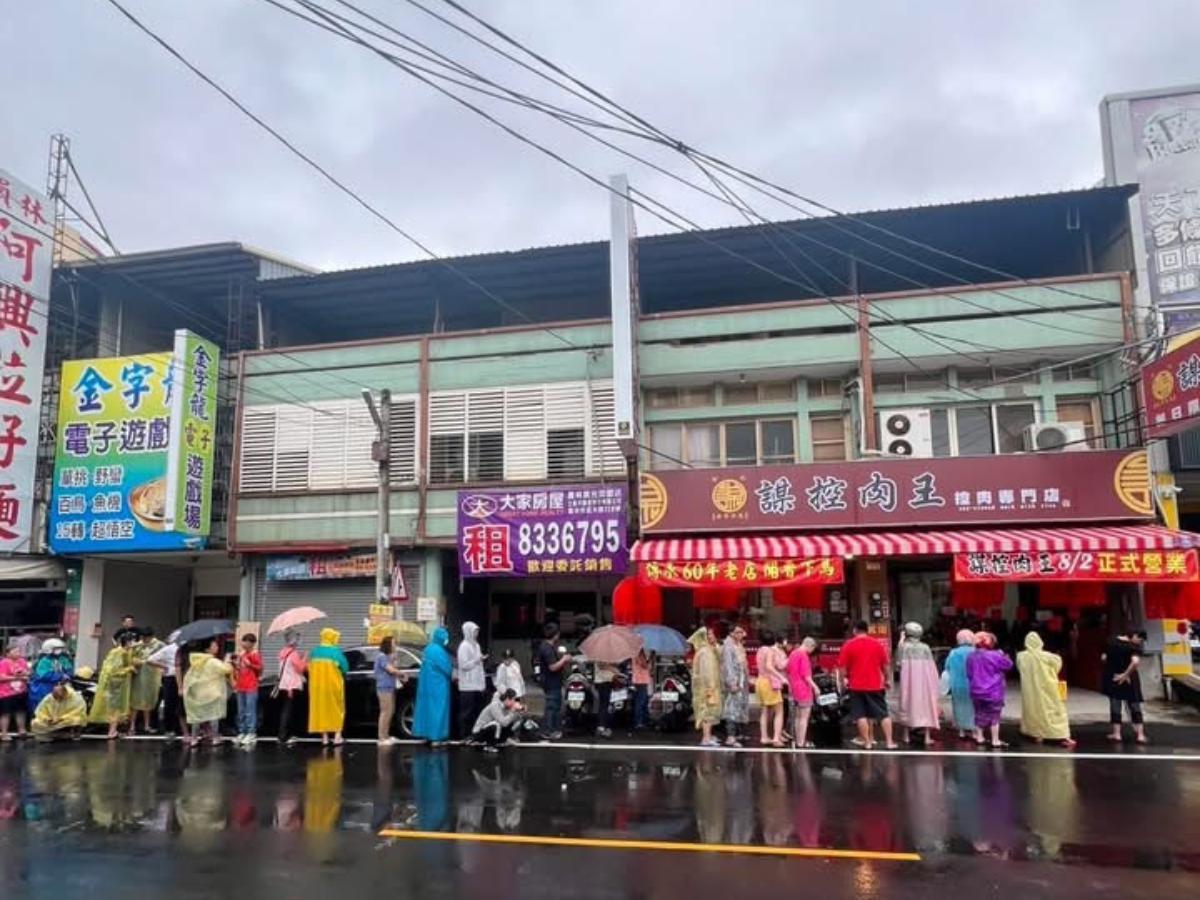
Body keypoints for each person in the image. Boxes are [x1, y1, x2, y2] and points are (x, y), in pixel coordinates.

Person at [837, 621, 897, 750]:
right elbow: (885, 665)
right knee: (883, 713)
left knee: (860, 715)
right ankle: (889, 742)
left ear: (855, 630)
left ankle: (867, 742)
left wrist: (843, 680)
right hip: (875, 684)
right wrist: (887, 679)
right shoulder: (877, 644)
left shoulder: (849, 645)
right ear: (867, 630)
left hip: (856, 685)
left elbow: (842, 667)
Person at [1016, 631, 1076, 749]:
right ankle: (1061, 734)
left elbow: (1019, 668)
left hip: (1030, 690)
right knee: (1054, 709)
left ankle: (1037, 734)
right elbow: (1058, 664)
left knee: (1033, 710)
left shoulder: (1021, 656)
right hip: (1048, 688)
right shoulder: (1047, 656)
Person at [896, 622, 942, 748]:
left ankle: (906, 735)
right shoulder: (926, 647)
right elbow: (932, 666)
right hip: (924, 680)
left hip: (908, 681)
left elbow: (898, 664)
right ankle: (927, 737)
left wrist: (901, 640)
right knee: (926, 704)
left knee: (907, 702)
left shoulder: (903, 646)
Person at [183, 638, 235, 747]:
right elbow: (226, 669)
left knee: (196, 717)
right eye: (214, 646)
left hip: (198, 693)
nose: (216, 647)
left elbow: (189, 677)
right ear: (207, 649)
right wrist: (228, 661)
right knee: (213, 715)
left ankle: (194, 739)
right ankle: (215, 738)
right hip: (213, 692)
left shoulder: (195, 662)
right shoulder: (213, 661)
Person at [966, 631, 1013, 749]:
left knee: (979, 713)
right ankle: (995, 740)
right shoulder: (995, 655)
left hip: (976, 690)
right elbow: (1008, 665)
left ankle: (979, 737)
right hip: (993, 691)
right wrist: (1004, 655)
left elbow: (969, 674)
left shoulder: (971, 656)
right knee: (994, 716)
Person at [1103, 629, 1148, 745]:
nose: (1140, 642)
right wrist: (1125, 674)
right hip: (1130, 679)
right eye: (1140, 639)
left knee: (1115, 704)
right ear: (1134, 636)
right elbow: (1135, 662)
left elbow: (1103, 657)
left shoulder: (1111, 641)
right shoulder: (1133, 647)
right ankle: (1140, 735)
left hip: (1114, 677)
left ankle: (1117, 734)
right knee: (1134, 704)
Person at [90, 632, 137, 739]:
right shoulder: (119, 653)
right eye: (133, 641)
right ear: (128, 642)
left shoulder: (124, 651)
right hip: (115, 685)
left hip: (119, 684)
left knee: (116, 708)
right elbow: (114, 670)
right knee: (114, 708)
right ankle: (112, 731)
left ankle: (113, 730)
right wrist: (129, 669)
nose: (135, 643)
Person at [308, 627, 349, 746]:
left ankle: (324, 738)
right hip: (333, 686)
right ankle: (337, 736)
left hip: (317, 688)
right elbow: (345, 668)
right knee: (337, 710)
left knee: (321, 711)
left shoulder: (314, 651)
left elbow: (309, 668)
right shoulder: (336, 652)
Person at [413, 626, 454, 744]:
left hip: (426, 686)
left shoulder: (428, 649)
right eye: (445, 637)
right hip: (438, 686)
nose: (446, 640)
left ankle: (425, 734)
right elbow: (447, 668)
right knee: (438, 710)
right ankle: (436, 737)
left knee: (426, 710)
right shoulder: (439, 651)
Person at [689, 624, 723, 748]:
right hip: (708, 688)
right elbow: (707, 672)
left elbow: (720, 656)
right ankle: (706, 738)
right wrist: (711, 687)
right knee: (708, 711)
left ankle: (709, 735)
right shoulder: (704, 652)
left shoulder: (708, 649)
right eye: (709, 634)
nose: (712, 636)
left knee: (712, 711)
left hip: (710, 687)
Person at [148, 633, 187, 739]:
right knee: (171, 703)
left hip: (181, 677)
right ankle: (170, 729)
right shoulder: (169, 649)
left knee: (178, 704)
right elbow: (150, 660)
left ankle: (176, 728)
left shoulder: (184, 650)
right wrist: (164, 667)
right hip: (170, 678)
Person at [536, 623, 570, 739]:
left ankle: (552, 729)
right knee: (552, 706)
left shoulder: (547, 646)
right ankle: (548, 731)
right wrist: (564, 660)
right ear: (555, 635)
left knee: (554, 706)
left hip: (552, 681)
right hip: (551, 681)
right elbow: (552, 667)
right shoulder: (547, 648)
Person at [755, 630, 788, 747]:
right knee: (779, 711)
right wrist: (781, 677)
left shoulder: (759, 650)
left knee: (764, 711)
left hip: (760, 681)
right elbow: (769, 666)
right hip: (770, 682)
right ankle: (776, 738)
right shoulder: (770, 651)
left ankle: (764, 736)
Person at [276, 630, 308, 747]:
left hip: (284, 685)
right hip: (292, 686)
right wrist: (304, 658)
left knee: (287, 710)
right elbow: (301, 669)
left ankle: (287, 734)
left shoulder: (283, 652)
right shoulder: (293, 654)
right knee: (288, 711)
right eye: (298, 638)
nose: (299, 641)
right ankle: (283, 736)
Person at [787, 637, 819, 749]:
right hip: (803, 689)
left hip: (793, 687)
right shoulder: (804, 656)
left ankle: (797, 739)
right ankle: (801, 741)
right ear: (810, 646)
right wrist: (815, 687)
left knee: (797, 716)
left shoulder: (793, 654)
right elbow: (807, 676)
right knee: (804, 717)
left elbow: (788, 670)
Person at [130, 627, 164, 735]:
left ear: (151, 637)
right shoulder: (137, 645)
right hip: (138, 675)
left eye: (146, 638)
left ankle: (147, 725)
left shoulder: (159, 645)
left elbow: (165, 657)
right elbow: (129, 656)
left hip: (152, 676)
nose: (144, 640)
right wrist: (134, 661)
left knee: (148, 700)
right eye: (143, 637)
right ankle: (132, 726)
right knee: (135, 700)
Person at [944, 629, 977, 740]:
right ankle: (974, 730)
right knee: (973, 707)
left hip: (957, 683)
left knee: (959, 707)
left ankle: (961, 731)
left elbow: (947, 667)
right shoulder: (975, 651)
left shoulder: (953, 652)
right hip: (973, 683)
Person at [720, 624, 750, 747]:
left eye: (741, 632)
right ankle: (730, 736)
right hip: (734, 681)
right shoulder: (728, 646)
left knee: (739, 706)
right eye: (738, 632)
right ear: (732, 633)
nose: (741, 634)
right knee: (731, 708)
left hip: (741, 679)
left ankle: (737, 733)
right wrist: (732, 683)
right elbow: (728, 666)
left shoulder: (739, 645)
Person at [26, 638, 73, 716]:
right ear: (49, 649)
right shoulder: (44, 661)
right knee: (44, 710)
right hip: (44, 689)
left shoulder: (63, 659)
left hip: (60, 688)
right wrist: (61, 676)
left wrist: (68, 675)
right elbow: (44, 675)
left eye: (60, 648)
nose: (59, 650)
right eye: (57, 649)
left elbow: (69, 669)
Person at [457, 622, 486, 739]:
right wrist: (477, 660)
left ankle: (474, 734)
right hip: (467, 685)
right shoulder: (464, 646)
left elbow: (478, 663)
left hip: (477, 684)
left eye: (477, 631)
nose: (476, 633)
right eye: (474, 631)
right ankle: (464, 734)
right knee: (466, 712)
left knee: (476, 710)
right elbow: (464, 665)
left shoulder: (476, 645)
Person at [374, 636, 406, 746]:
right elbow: (390, 670)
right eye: (393, 643)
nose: (395, 645)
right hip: (383, 688)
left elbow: (393, 667)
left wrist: (394, 658)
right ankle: (381, 738)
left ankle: (386, 735)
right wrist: (402, 674)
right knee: (385, 712)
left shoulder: (387, 657)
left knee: (390, 711)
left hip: (390, 687)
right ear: (387, 645)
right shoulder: (381, 657)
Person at [234, 633, 264, 747]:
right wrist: (236, 665)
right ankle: (242, 732)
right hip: (241, 685)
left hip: (251, 686)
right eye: (243, 641)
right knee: (241, 710)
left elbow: (260, 669)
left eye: (245, 641)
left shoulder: (255, 654)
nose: (243, 644)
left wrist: (250, 664)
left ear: (251, 643)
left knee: (250, 710)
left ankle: (251, 733)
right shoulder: (242, 654)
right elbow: (241, 669)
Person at [0, 643, 30, 741]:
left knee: (21, 711)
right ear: (8, 653)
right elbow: (1, 677)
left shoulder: (22, 661)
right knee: (6, 713)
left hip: (21, 691)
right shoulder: (3, 662)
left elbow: (28, 673)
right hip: (6, 693)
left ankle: (22, 730)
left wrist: (25, 674)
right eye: (15, 651)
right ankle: (4, 733)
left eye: (19, 651)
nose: (18, 653)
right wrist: (15, 677)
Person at [594, 661, 618, 739]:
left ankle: (603, 726)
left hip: (608, 680)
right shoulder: (600, 652)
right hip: (602, 681)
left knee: (605, 704)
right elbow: (601, 665)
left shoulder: (607, 654)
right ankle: (601, 727)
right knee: (604, 704)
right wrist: (613, 669)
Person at [632, 648, 652, 731]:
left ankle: (642, 721)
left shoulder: (635, 653)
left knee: (642, 701)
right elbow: (645, 665)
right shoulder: (639, 654)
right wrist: (651, 658)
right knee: (641, 702)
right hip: (641, 680)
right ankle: (639, 722)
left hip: (638, 680)